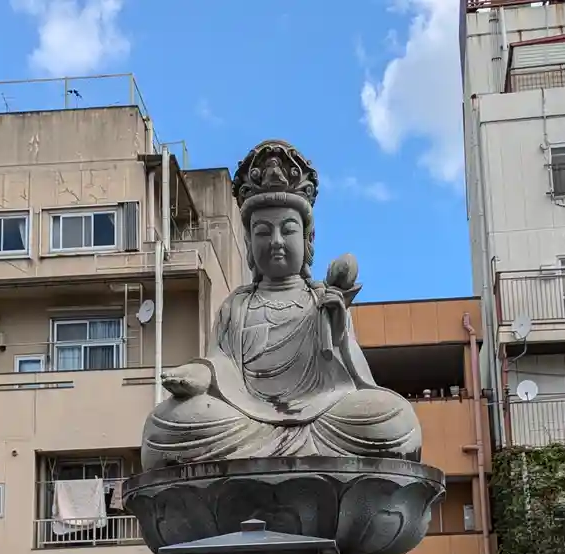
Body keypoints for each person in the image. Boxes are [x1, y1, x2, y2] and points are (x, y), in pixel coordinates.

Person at [140, 140, 421, 470]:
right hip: (242, 416)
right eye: (263, 232)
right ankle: (288, 453)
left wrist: (337, 329)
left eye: (287, 230)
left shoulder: (321, 299)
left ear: (307, 239)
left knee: (395, 419)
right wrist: (199, 374)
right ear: (249, 241)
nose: (275, 241)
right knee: (163, 424)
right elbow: (221, 362)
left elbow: (353, 379)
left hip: (321, 415)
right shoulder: (236, 305)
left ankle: (269, 453)